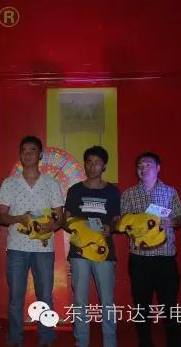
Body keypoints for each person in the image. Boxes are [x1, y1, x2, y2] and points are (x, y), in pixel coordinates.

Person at [0, 135, 63, 347]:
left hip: (44, 248)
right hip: (17, 247)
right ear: (20, 155)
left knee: (45, 296)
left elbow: (59, 216)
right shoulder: (9, 183)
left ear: (40, 155)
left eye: (32, 150)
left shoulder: (51, 183)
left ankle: (46, 337)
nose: (27, 154)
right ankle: (15, 338)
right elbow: (1, 216)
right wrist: (20, 219)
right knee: (15, 297)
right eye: (24, 150)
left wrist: (51, 226)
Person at [120, 152, 181, 347]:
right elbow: (123, 222)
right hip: (140, 258)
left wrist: (172, 222)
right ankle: (144, 342)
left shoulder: (170, 191)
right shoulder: (129, 194)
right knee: (141, 304)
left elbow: (180, 218)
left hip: (165, 257)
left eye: (148, 164)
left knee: (170, 303)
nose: (143, 168)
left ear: (158, 168)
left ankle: (175, 342)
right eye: (140, 165)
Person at [64, 146, 120, 347]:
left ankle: (110, 343)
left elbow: (117, 220)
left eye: (97, 163)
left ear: (104, 166)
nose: (92, 166)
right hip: (79, 252)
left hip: (104, 252)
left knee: (107, 301)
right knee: (80, 301)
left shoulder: (112, 191)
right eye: (89, 162)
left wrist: (110, 227)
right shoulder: (75, 190)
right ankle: (81, 342)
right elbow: (65, 220)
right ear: (84, 164)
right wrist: (77, 225)